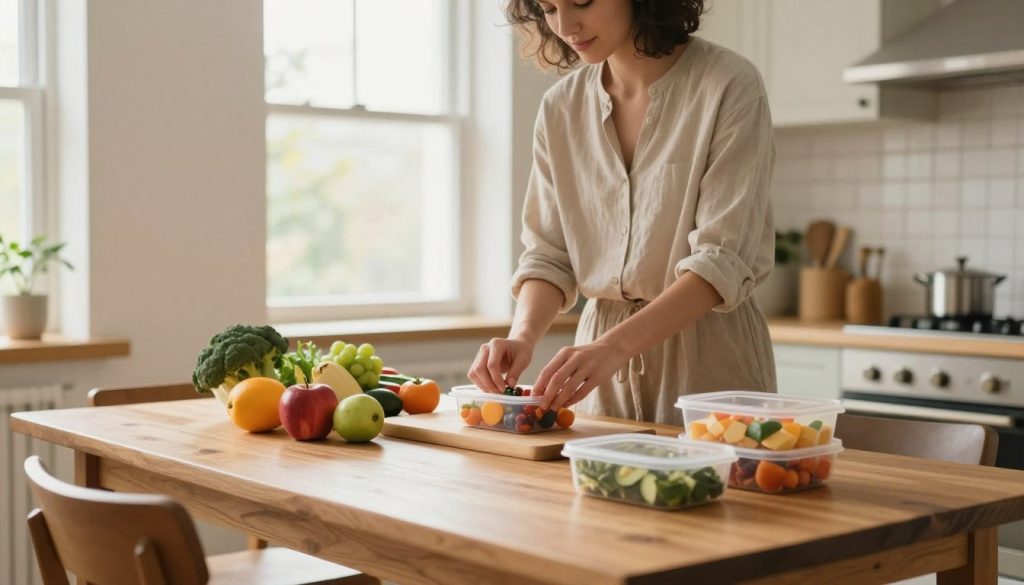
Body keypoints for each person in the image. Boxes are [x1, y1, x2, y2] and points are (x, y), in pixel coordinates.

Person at [467, 0, 776, 425]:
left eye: (581, 2)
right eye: (549, 8)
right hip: (598, 371)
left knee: (725, 490)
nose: (566, 26)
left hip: (710, 360)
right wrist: (522, 337)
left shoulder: (728, 84)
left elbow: (721, 262)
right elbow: (548, 255)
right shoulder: (561, 108)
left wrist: (613, 348)